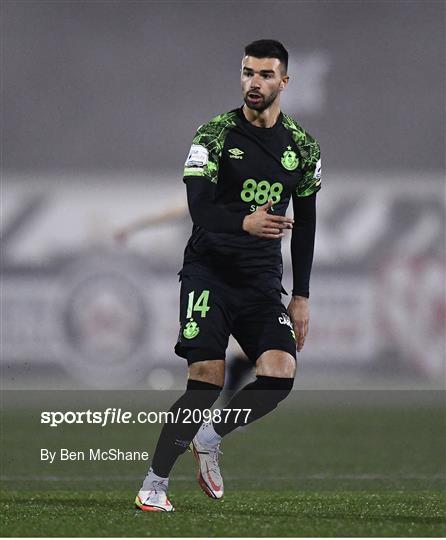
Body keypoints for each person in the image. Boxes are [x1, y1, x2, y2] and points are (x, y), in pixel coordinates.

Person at [135, 39, 321, 512]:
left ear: (284, 81)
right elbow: (199, 210)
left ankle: (210, 436)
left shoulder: (302, 146)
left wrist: (301, 295)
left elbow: (307, 223)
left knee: (280, 373)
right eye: (247, 73)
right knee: (206, 380)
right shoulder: (214, 135)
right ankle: (154, 483)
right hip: (209, 273)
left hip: (261, 281)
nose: (253, 83)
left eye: (264, 75)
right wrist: (245, 221)